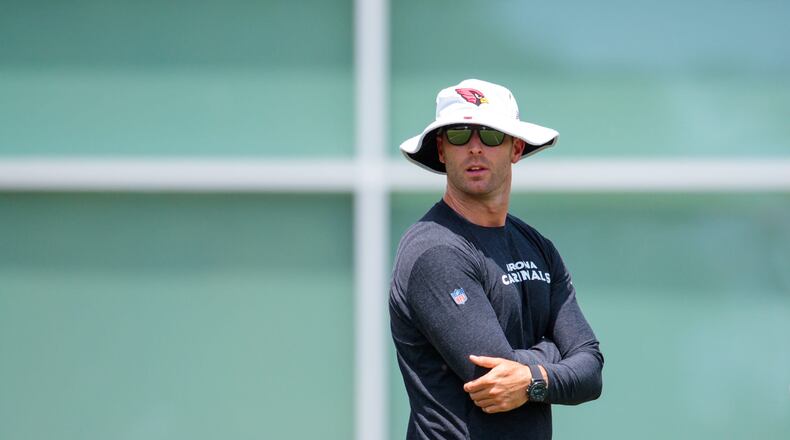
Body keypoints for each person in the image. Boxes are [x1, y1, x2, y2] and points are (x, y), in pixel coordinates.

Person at [389, 79, 603, 440]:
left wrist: (531, 377)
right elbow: (492, 376)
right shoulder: (435, 252)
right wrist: (556, 355)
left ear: (515, 148)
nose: (474, 147)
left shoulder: (537, 246)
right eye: (459, 135)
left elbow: (591, 370)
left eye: (490, 135)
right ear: (441, 150)